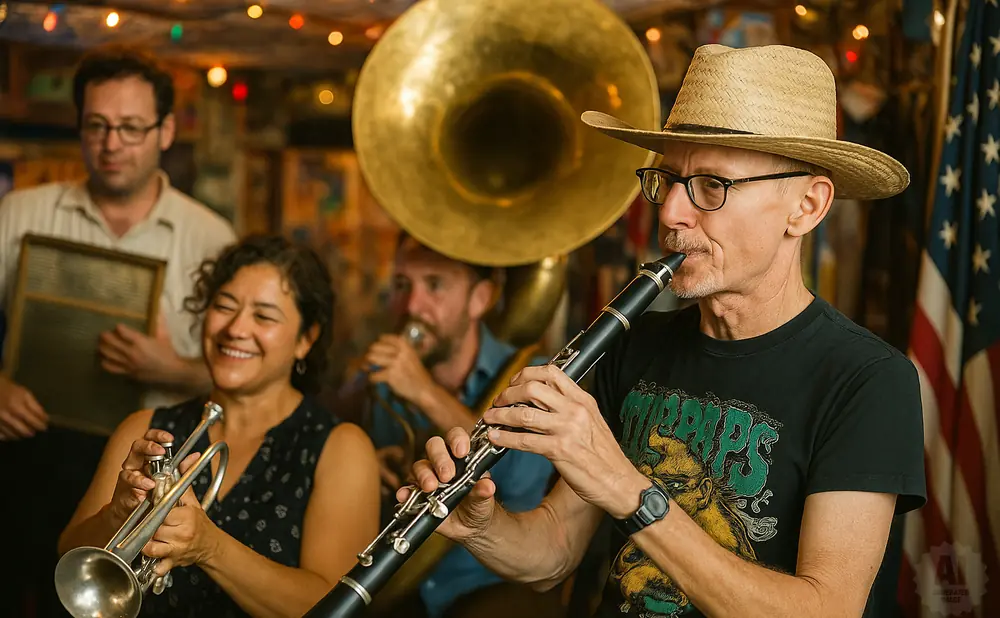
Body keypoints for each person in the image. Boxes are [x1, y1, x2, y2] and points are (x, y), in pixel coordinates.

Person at [405, 44, 927, 618]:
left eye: (711, 186)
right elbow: (551, 551)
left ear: (805, 205)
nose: (672, 212)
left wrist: (626, 486)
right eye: (668, 180)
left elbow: (825, 610)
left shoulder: (869, 380)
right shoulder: (633, 345)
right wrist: (480, 525)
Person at [0, 43, 236, 617]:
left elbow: (246, 373)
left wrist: (172, 369)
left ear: (165, 130)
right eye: (98, 126)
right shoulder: (18, 214)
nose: (112, 144)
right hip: (24, 452)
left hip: (146, 470)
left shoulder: (211, 237)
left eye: (131, 128)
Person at [59, 234, 381, 617]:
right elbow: (72, 559)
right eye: (224, 307)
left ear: (305, 340)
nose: (235, 329)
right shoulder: (144, 428)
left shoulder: (340, 447)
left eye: (263, 316)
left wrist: (210, 547)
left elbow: (337, 607)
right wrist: (115, 514)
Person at [334, 232, 556, 618]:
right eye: (402, 285)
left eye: (434, 285)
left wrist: (424, 392)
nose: (412, 306)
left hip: (491, 585)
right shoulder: (385, 381)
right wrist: (369, 466)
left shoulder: (532, 374)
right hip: (403, 587)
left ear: (480, 299)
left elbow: (521, 480)